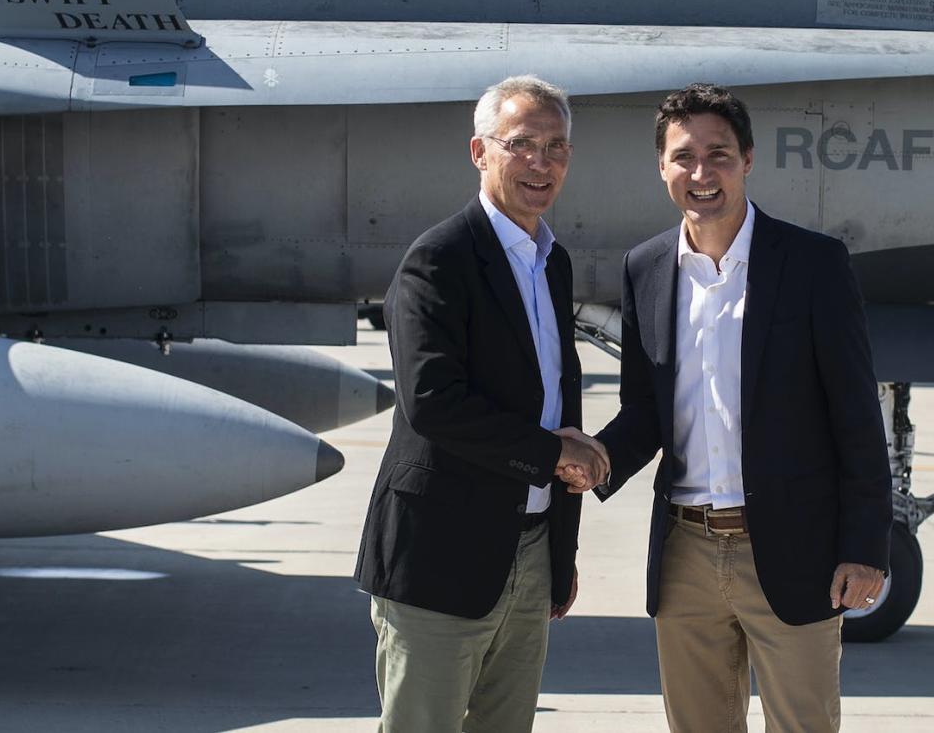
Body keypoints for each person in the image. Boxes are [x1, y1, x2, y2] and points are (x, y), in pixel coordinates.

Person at [572, 83, 892, 732]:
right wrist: (594, 457)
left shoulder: (813, 264)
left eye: (718, 154)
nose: (701, 173)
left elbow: (856, 416)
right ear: (661, 167)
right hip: (685, 548)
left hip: (794, 547)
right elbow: (646, 409)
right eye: (683, 156)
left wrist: (864, 547)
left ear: (748, 158)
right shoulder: (646, 268)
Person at [354, 74, 608, 733]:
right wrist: (554, 453)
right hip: (441, 556)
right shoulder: (437, 260)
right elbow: (433, 402)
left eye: (555, 148)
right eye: (521, 143)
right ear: (479, 151)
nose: (540, 163)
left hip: (526, 555)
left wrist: (558, 554)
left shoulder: (551, 262)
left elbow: (550, 398)